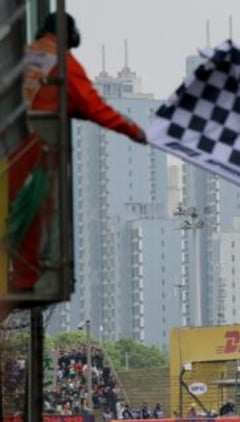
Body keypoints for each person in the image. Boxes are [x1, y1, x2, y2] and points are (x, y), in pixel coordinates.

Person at [8, 12, 147, 292]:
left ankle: (21, 275)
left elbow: (55, 101)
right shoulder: (63, 62)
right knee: (34, 210)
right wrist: (134, 131)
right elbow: (93, 106)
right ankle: (24, 278)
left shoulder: (26, 57)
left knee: (17, 209)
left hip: (12, 146)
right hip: (33, 148)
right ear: (70, 36)